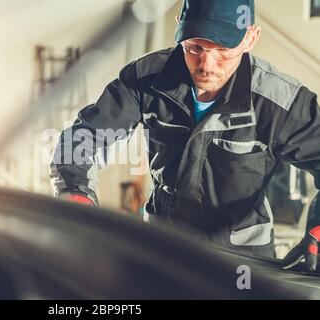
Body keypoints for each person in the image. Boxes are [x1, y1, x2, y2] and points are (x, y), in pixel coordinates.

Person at [50, 0, 320, 271]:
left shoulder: (279, 101)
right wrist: (76, 194)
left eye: (223, 50)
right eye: (195, 47)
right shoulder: (146, 79)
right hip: (164, 250)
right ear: (179, 26)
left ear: (250, 38)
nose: (206, 64)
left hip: (244, 264)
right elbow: (84, 137)